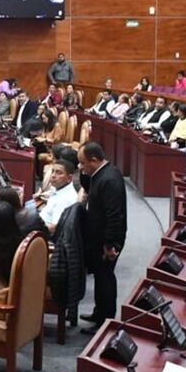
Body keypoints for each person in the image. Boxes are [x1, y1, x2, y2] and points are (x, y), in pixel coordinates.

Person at [78, 142, 127, 332]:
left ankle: (105, 322)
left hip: (108, 240)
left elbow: (114, 215)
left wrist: (110, 245)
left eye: (83, 163)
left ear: (94, 160)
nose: (80, 167)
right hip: (100, 237)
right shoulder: (99, 174)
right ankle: (99, 313)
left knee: (105, 278)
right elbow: (89, 187)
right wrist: (83, 172)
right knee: (100, 276)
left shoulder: (110, 180)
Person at [40, 160, 79, 234]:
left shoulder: (65, 199)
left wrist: (34, 226)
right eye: (53, 171)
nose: (53, 175)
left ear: (69, 178)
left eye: (59, 173)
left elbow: (55, 228)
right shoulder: (58, 188)